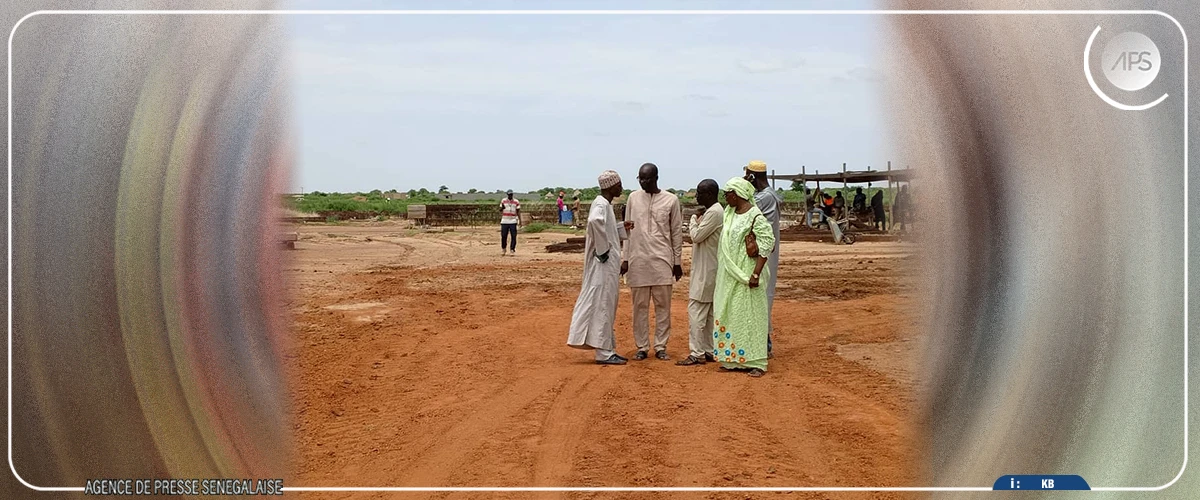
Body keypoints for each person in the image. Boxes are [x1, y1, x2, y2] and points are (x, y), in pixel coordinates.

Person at [568, 171, 635, 364]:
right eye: (618, 184)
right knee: (604, 304)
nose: (621, 187)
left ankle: (607, 348)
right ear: (610, 186)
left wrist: (621, 227)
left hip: (606, 265)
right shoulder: (600, 204)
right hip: (603, 265)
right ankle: (604, 353)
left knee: (606, 304)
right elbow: (595, 222)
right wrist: (602, 249)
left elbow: (604, 226)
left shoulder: (604, 204)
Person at [712, 177, 774, 377]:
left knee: (751, 316)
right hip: (730, 274)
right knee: (731, 313)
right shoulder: (730, 213)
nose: (724, 197)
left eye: (727, 193)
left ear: (737, 194)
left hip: (747, 274)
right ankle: (732, 359)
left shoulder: (755, 216)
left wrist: (756, 273)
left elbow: (767, 244)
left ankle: (756, 361)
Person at [622, 162, 683, 360]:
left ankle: (660, 346)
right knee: (639, 308)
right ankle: (641, 347)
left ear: (656, 178)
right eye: (640, 178)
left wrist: (677, 262)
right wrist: (625, 258)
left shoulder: (671, 200)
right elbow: (627, 230)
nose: (643, 182)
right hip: (638, 260)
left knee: (663, 307)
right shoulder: (632, 198)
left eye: (647, 178)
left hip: (662, 262)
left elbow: (676, 233)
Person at [676, 179, 722, 366]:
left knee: (696, 310)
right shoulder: (717, 211)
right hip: (711, 268)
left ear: (709, 194)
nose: (696, 196)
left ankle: (697, 352)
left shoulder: (713, 213)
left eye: (699, 193)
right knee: (710, 313)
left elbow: (696, 236)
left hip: (706, 271)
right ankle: (709, 349)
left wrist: (693, 220)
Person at [743, 160, 781, 358]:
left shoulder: (765, 197)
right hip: (760, 254)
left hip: (763, 255)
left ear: (752, 176)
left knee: (762, 295)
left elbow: (746, 215)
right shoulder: (764, 195)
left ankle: (763, 343)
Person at [500, 190, 521, 256]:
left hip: (513, 221)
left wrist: (520, 220)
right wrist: (502, 208)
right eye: (509, 195)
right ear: (507, 195)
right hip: (504, 220)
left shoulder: (516, 201)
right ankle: (504, 248)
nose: (510, 196)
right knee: (503, 236)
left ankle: (512, 249)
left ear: (512, 195)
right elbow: (500, 209)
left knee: (513, 236)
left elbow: (518, 211)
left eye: (511, 194)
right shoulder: (503, 201)